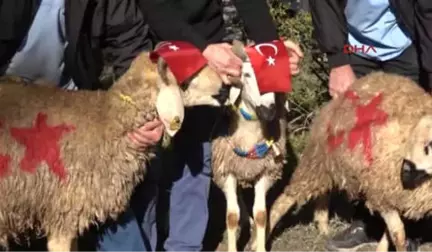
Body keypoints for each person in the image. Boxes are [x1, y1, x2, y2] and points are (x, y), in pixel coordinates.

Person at [128, 1, 303, 251]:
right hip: (153, 48)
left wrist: (272, 52)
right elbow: (153, 7)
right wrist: (203, 49)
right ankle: (139, 244)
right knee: (143, 152)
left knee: (197, 153)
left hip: (209, 46)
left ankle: (184, 245)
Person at [0, 1, 165, 251]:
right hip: (9, 108)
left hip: (72, 110)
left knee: (111, 214)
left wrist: (142, 112)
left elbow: (130, 43)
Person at [309, 0, 432, 251]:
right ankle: (367, 221)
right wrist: (338, 62)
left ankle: (411, 227)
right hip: (354, 47)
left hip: (408, 44)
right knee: (359, 142)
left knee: (408, 138)